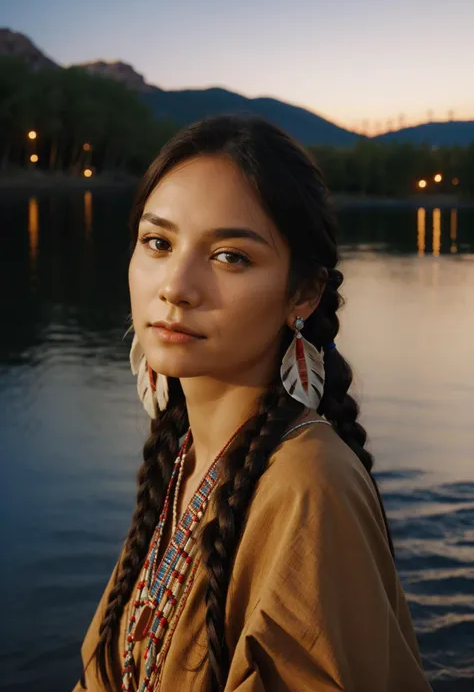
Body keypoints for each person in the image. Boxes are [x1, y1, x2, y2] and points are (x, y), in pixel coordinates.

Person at [73, 114, 432, 692]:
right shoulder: (184, 457)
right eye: (158, 243)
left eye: (230, 256)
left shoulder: (308, 485)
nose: (176, 286)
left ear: (304, 293)